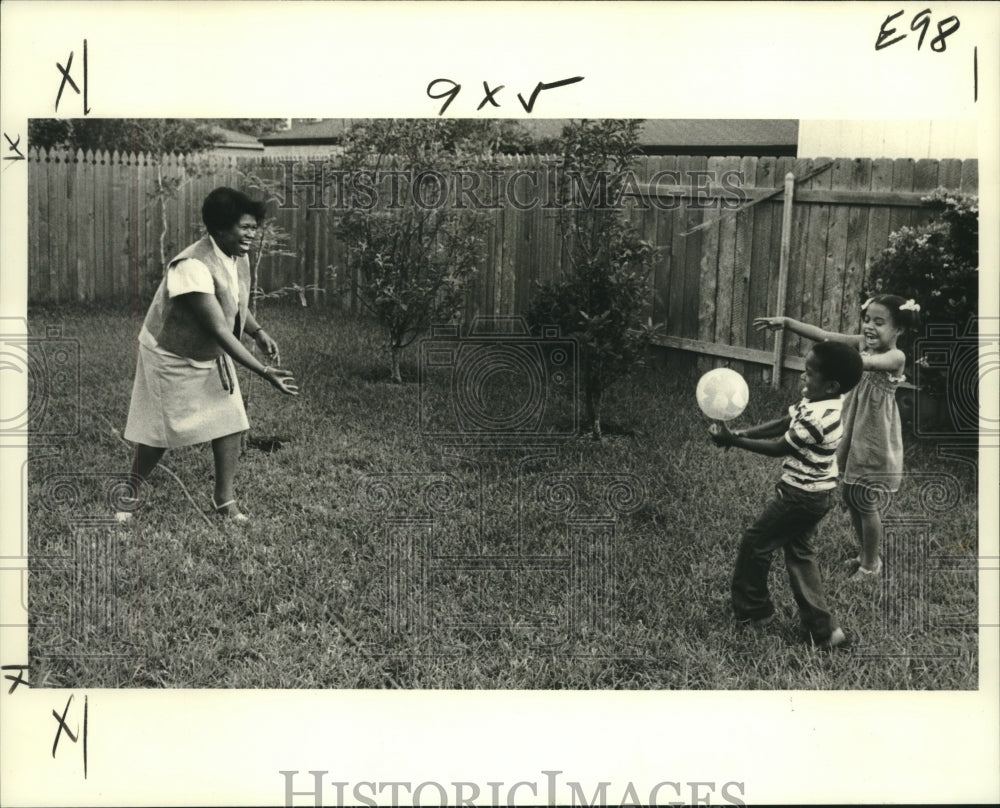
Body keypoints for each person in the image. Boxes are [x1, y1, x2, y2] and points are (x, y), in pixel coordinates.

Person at [118, 187, 299, 523]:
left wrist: (258, 332)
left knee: (231, 420)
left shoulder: (237, 255)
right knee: (160, 432)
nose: (251, 234)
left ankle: (224, 502)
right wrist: (262, 371)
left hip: (210, 351)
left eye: (252, 227)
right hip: (169, 352)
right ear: (218, 229)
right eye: (243, 227)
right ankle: (130, 492)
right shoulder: (191, 265)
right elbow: (217, 326)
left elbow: (235, 302)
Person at [709, 341, 864, 649]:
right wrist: (740, 434)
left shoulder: (819, 418)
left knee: (756, 542)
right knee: (800, 554)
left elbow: (781, 445)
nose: (803, 377)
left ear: (831, 384)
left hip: (801, 497)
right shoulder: (819, 401)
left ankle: (754, 612)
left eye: (809, 372)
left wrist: (734, 442)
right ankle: (826, 632)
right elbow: (784, 422)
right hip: (816, 494)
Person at [754, 294, 919, 580]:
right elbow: (824, 335)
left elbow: (860, 364)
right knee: (850, 495)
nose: (869, 327)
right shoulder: (859, 344)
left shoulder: (896, 357)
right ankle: (864, 553)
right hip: (850, 430)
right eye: (867, 320)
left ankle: (871, 565)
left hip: (873, 436)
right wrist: (788, 323)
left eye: (879, 322)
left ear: (899, 330)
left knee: (864, 500)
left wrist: (836, 355)